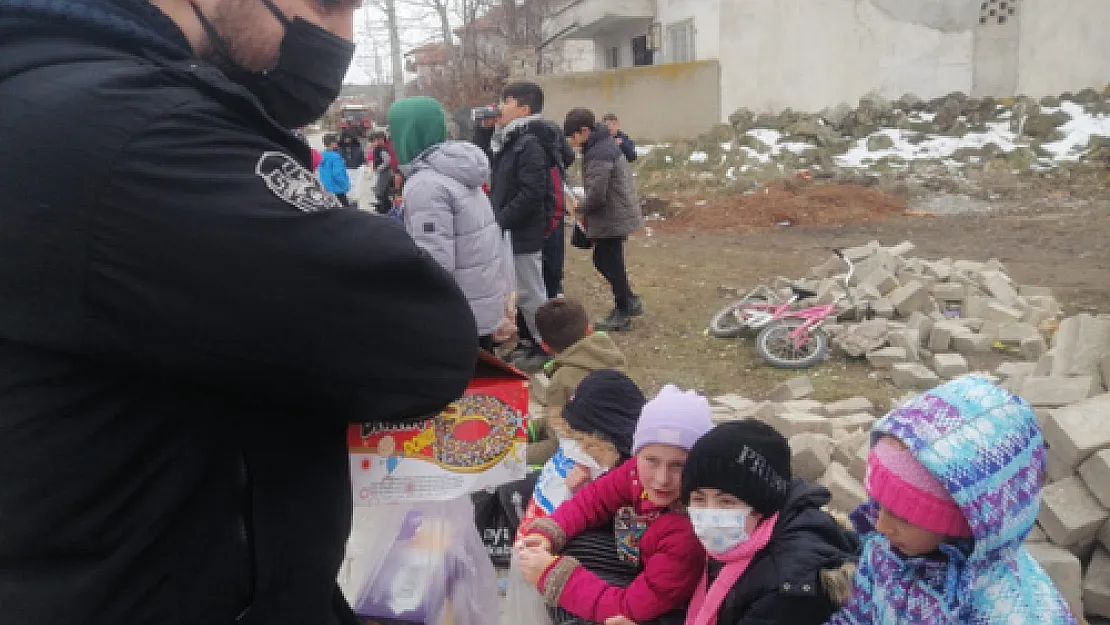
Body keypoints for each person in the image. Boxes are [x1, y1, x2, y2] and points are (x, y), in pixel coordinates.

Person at [0, 1, 478, 624]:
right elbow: (422, 342)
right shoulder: (128, 126)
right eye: (328, 3)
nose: (341, 37)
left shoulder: (40, 84)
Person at [828, 376, 1079, 625]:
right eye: (880, 503)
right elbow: (858, 614)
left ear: (964, 521)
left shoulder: (1015, 612)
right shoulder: (886, 549)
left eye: (903, 517)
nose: (880, 525)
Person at [516, 385, 715, 625]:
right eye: (652, 460)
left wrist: (551, 576)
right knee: (568, 546)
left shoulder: (687, 532)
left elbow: (629, 608)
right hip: (644, 567)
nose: (662, 478)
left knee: (567, 603)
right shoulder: (634, 473)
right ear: (637, 454)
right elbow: (592, 500)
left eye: (678, 465)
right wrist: (547, 533)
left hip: (666, 609)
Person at [679, 420, 858, 625]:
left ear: (762, 505)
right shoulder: (741, 542)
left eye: (726, 501)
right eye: (699, 499)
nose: (709, 514)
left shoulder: (788, 583)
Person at [388, 96, 515, 350]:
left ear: (408, 133)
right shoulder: (457, 170)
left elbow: (435, 263)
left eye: (394, 132)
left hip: (454, 315)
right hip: (479, 305)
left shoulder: (426, 185)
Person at [489, 81, 553, 372]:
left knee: (532, 292)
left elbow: (532, 192)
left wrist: (500, 220)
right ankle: (530, 340)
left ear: (525, 109)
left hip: (523, 230)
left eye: (507, 101)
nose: (501, 107)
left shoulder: (529, 144)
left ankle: (547, 345)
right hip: (511, 229)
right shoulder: (510, 140)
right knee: (521, 292)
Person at [564, 108, 645, 332]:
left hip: (612, 214)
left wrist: (579, 207)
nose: (573, 141)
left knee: (609, 261)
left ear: (584, 131)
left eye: (573, 136)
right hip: (615, 212)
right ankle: (629, 301)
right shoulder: (601, 144)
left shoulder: (599, 152)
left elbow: (598, 194)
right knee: (608, 260)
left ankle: (623, 311)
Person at [528, 298, 627, 466]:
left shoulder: (563, 380)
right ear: (589, 329)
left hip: (589, 459)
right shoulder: (610, 355)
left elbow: (558, 445)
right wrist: (529, 429)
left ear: (544, 346)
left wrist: (515, 455)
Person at [319, 133, 352, 205]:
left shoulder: (321, 155)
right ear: (332, 143)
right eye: (336, 142)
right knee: (345, 211)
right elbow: (337, 174)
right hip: (338, 189)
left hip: (327, 188)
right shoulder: (335, 157)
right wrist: (345, 186)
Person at [337, 131, 367, 206]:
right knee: (347, 190)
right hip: (345, 171)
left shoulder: (357, 147)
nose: (347, 140)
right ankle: (348, 205)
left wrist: (364, 167)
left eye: (349, 138)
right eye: (345, 138)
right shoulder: (340, 148)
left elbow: (362, 159)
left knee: (356, 191)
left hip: (356, 170)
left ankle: (355, 205)